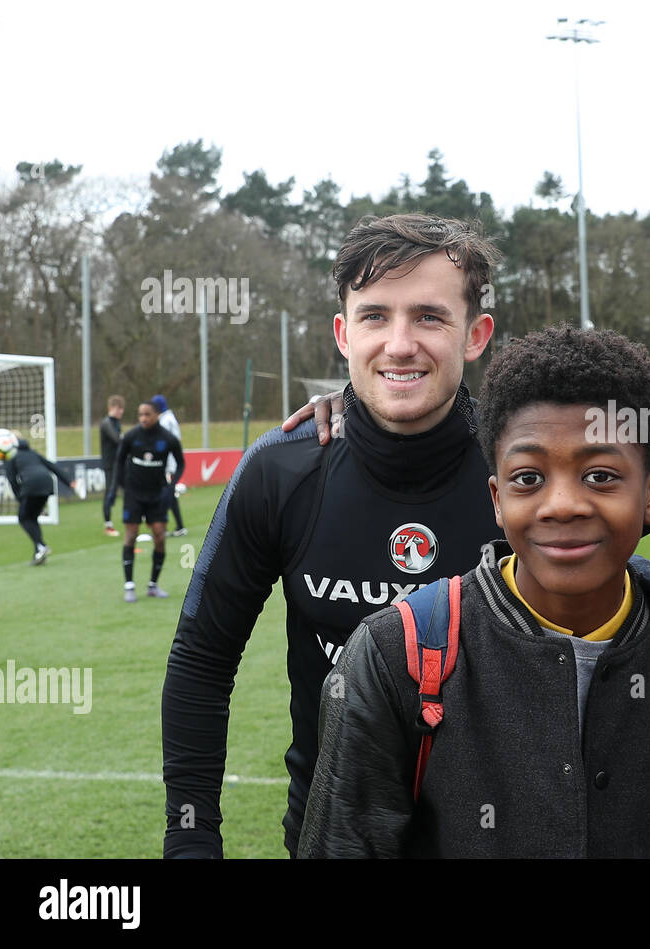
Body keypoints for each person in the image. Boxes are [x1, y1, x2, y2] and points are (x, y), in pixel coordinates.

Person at [297, 325, 650, 858]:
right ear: (497, 499)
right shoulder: (398, 653)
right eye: (528, 478)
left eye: (601, 475)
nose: (562, 504)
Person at [161, 214, 504, 859]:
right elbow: (202, 662)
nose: (399, 344)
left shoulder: (524, 472)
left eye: (429, 317)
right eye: (375, 317)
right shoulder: (282, 468)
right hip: (331, 839)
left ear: (475, 334)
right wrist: (190, 835)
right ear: (344, 335)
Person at [112, 401, 184, 601]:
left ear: (157, 415)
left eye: (147, 414)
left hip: (157, 495)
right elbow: (119, 460)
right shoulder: (132, 436)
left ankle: (153, 584)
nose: (143, 418)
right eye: (140, 414)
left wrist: (171, 487)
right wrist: (120, 485)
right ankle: (129, 585)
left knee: (160, 536)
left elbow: (181, 464)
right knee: (131, 534)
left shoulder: (168, 439)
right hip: (134, 494)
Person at [3, 434, 75, 565]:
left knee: (23, 517)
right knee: (32, 518)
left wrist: (20, 498)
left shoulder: (9, 455)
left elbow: (12, 480)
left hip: (31, 485)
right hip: (47, 483)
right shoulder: (31, 452)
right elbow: (52, 466)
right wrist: (69, 481)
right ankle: (39, 553)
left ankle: (41, 545)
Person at [151, 394, 188, 537]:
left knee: (167, 495)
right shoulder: (169, 418)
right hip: (170, 462)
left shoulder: (165, 421)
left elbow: (160, 441)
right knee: (168, 494)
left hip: (167, 464)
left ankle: (173, 526)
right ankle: (176, 526)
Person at [100, 395, 124, 536]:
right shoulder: (106, 423)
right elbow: (117, 439)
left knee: (130, 491)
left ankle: (135, 519)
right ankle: (108, 525)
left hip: (120, 463)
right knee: (110, 493)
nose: (121, 412)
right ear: (112, 408)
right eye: (119, 408)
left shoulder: (116, 423)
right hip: (110, 464)